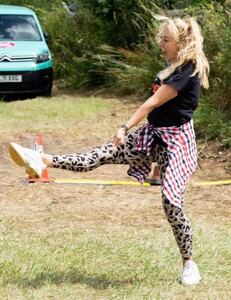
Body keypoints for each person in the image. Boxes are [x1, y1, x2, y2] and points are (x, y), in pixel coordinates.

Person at [9, 16, 209, 285]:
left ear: (181, 43)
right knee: (100, 155)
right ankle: (41, 159)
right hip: (152, 137)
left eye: (165, 39)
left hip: (177, 146)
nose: (159, 43)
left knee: (172, 204)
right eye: (160, 37)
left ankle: (189, 263)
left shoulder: (188, 70)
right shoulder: (171, 67)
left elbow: (152, 103)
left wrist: (124, 127)